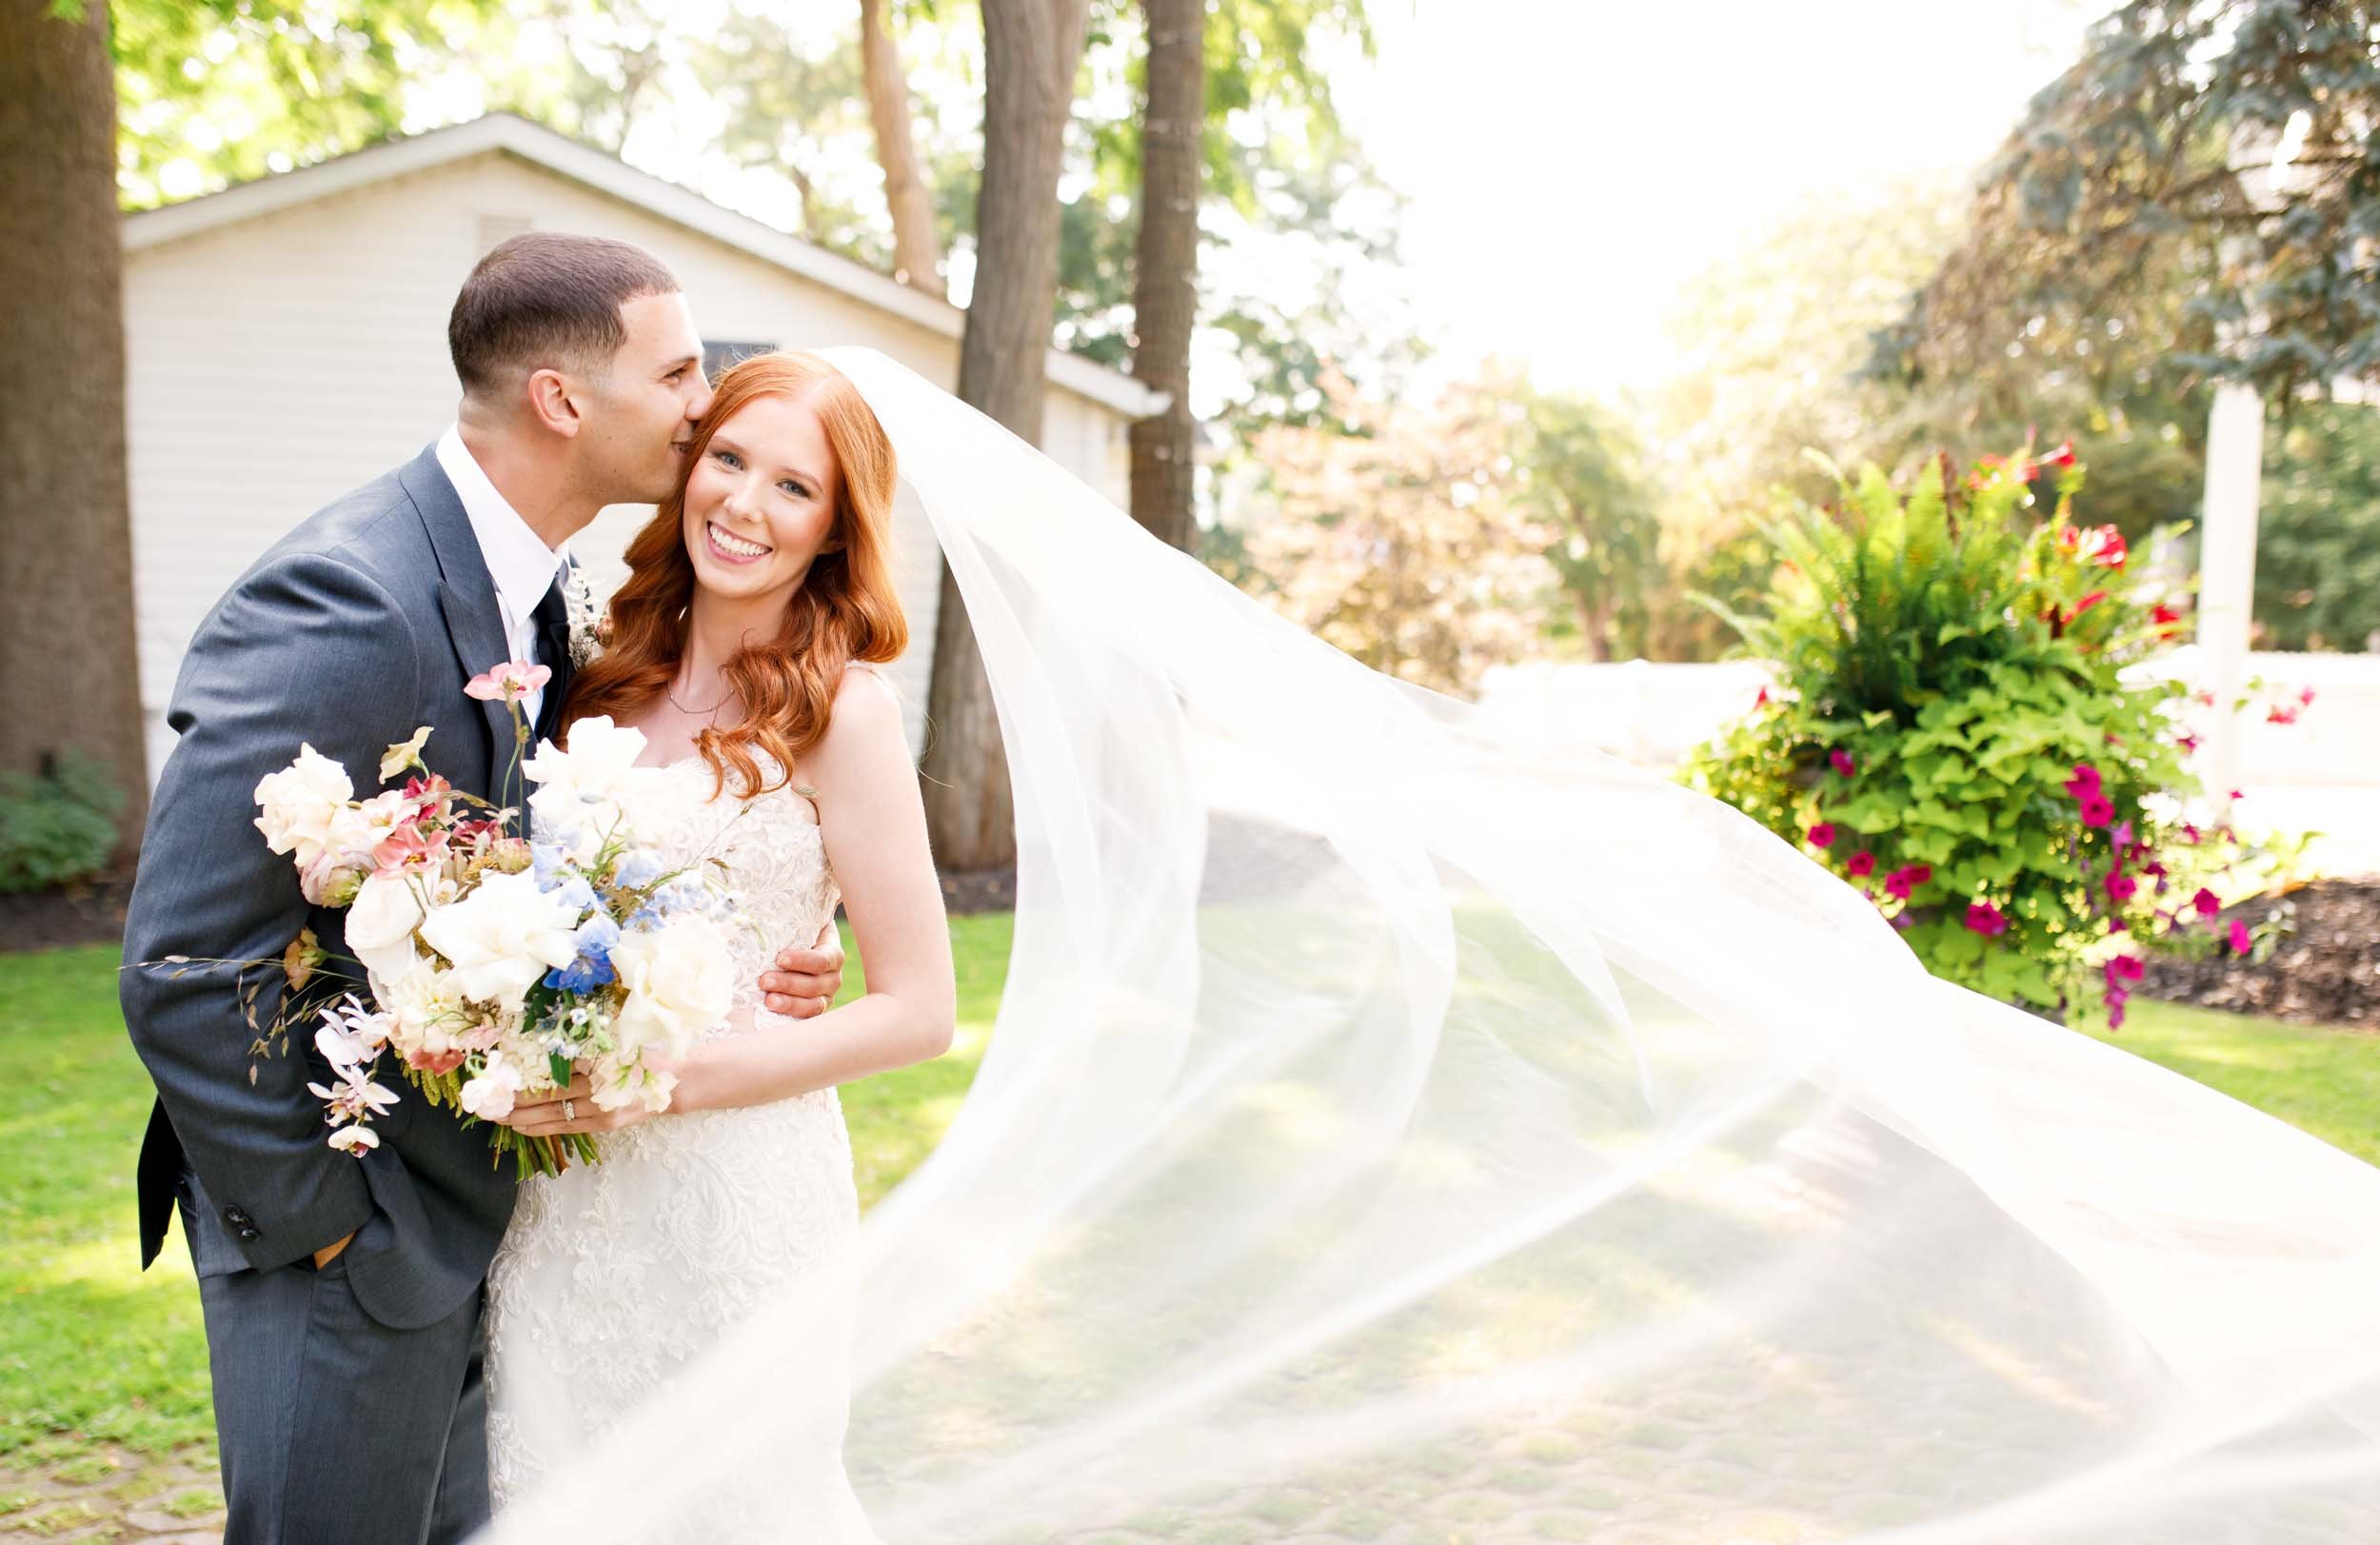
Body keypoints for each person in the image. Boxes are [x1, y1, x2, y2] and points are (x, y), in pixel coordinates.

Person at [119, 235, 846, 1545]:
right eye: (679, 371)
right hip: (354, 1237)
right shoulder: (350, 594)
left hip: (491, 1226)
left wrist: (759, 934)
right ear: (565, 401)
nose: (704, 400)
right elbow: (182, 958)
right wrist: (335, 1230)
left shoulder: (542, 593)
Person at [479, 350, 955, 1538]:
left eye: (794, 487)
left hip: (742, 1197)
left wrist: (661, 1081)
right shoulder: (592, 677)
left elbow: (921, 1009)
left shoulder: (844, 710)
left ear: (835, 529)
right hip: (566, 1205)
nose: (744, 504)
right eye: (730, 460)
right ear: (689, 465)